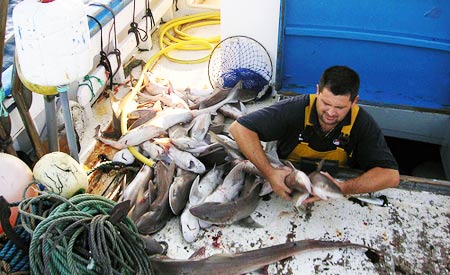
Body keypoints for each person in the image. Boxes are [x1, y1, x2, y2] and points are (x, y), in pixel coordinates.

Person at [228, 65, 400, 204]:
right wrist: (270, 172)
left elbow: (391, 175)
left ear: (354, 101)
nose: (331, 112)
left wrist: (341, 188)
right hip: (287, 180)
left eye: (340, 108)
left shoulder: (362, 122)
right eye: (325, 103)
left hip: (333, 193)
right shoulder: (295, 109)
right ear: (317, 91)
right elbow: (239, 128)